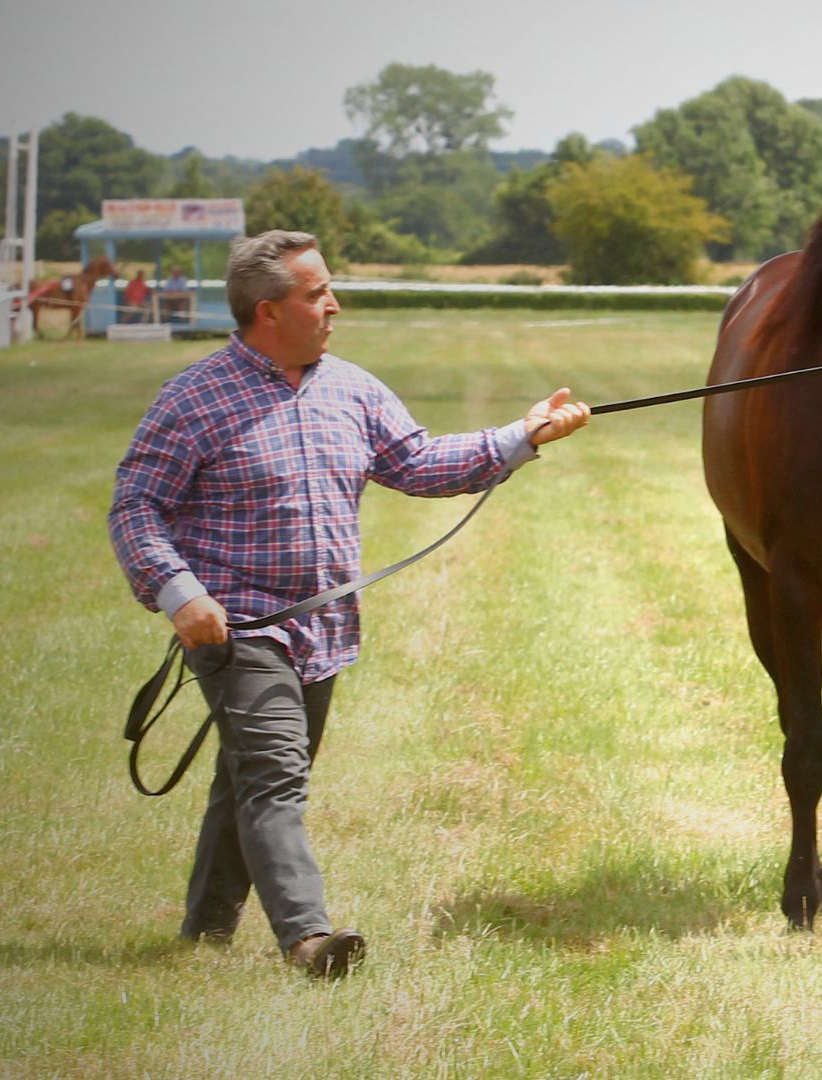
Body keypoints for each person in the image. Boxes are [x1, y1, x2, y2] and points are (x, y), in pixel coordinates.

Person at [109, 230, 590, 976]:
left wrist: (522, 436)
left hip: (325, 628)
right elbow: (135, 508)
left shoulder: (353, 389)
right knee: (274, 777)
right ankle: (308, 940)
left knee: (247, 778)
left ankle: (203, 935)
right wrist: (181, 595)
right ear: (268, 312)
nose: (335, 305)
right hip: (239, 629)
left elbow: (421, 464)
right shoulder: (194, 399)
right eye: (316, 293)